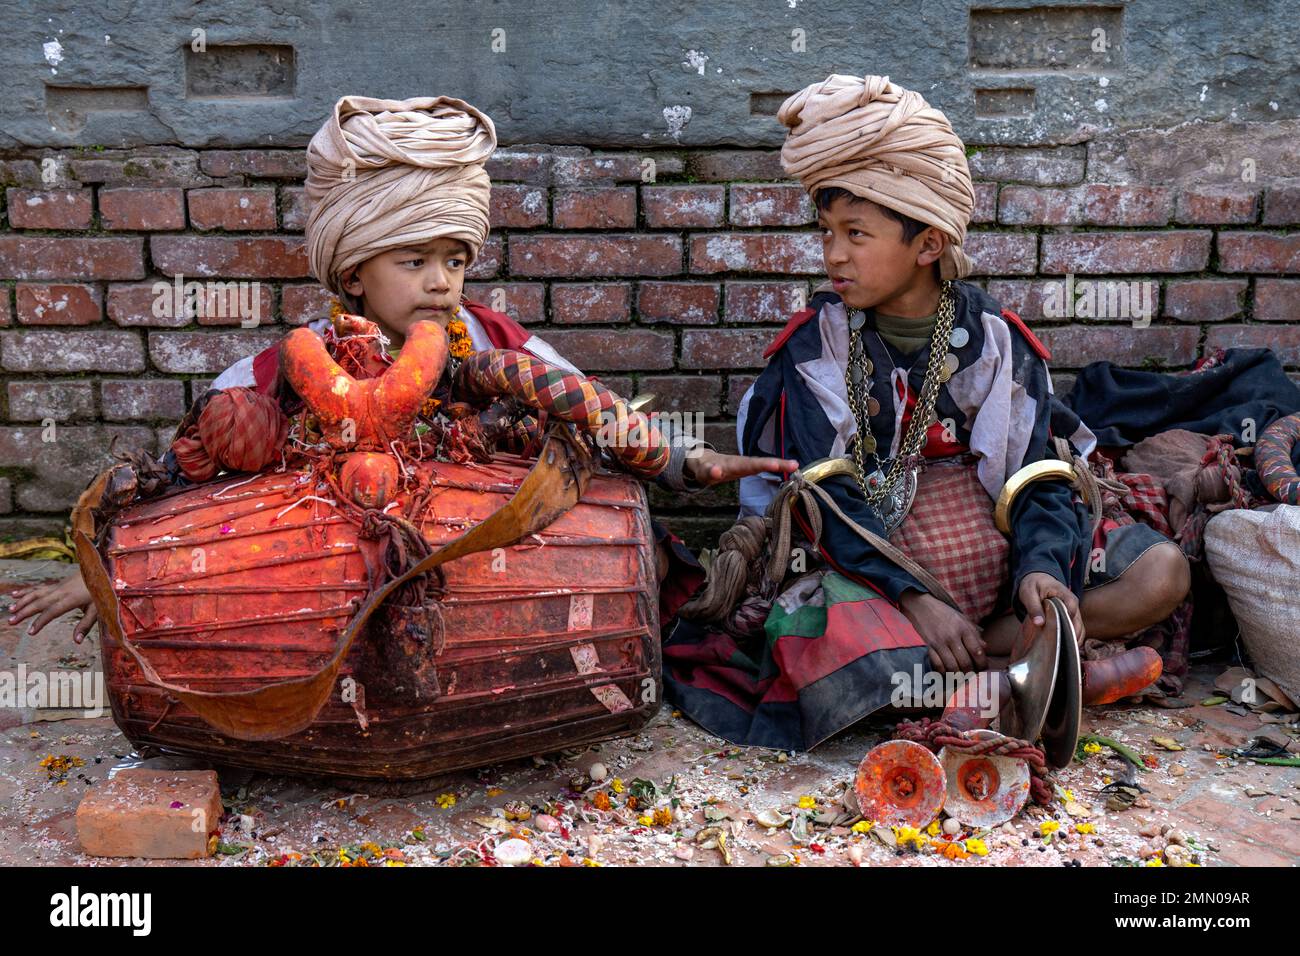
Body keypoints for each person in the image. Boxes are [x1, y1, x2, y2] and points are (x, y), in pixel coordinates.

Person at [9, 94, 794, 642]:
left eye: (455, 259)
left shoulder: (490, 342)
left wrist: (684, 461)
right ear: (351, 272)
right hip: (334, 569)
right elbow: (188, 460)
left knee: (640, 552)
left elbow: (590, 404)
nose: (440, 282)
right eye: (414, 260)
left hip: (475, 559)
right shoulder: (299, 361)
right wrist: (110, 566)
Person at [660, 75, 1191, 750]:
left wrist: (1042, 572)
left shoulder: (998, 339)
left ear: (929, 245)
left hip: (995, 560)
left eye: (856, 233)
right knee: (831, 642)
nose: (833, 254)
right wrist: (918, 598)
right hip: (875, 566)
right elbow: (822, 497)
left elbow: (1037, 474)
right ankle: (1029, 668)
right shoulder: (813, 349)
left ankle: (1004, 648)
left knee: (1160, 574)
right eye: (827, 231)